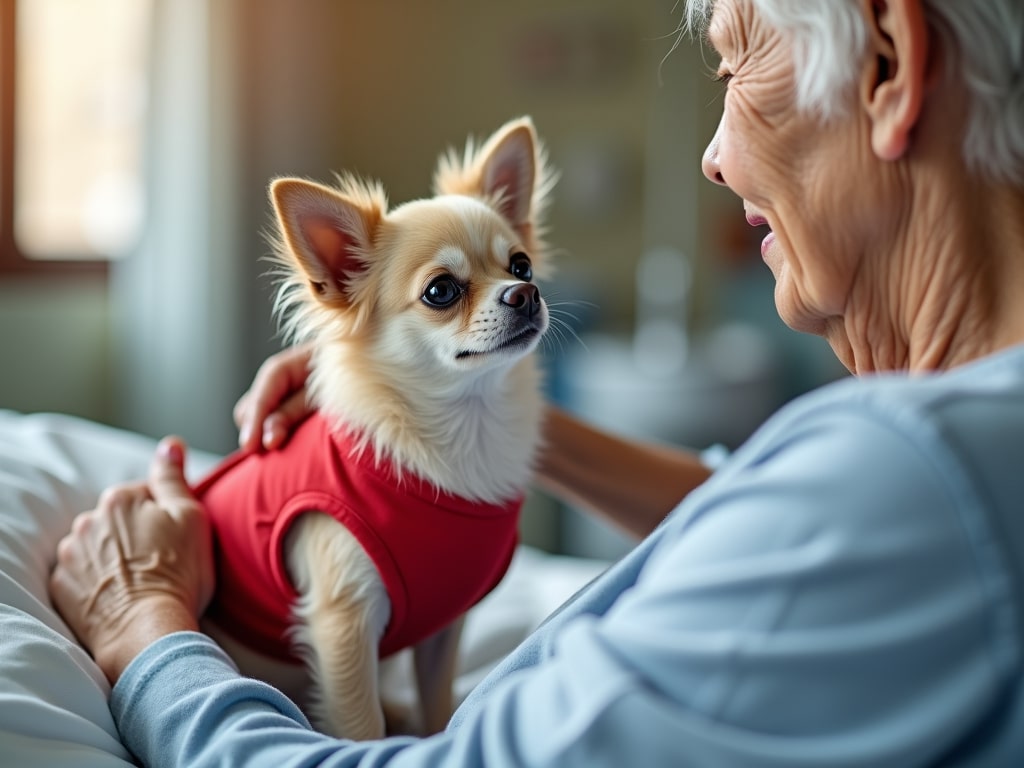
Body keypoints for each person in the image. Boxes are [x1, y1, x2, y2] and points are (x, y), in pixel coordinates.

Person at [49, 0, 1024, 765]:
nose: (712, 157)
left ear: (887, 65)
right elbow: (780, 524)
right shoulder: (945, 450)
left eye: (733, 65)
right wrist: (438, 405)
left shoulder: (917, 468)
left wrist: (147, 632)